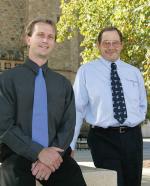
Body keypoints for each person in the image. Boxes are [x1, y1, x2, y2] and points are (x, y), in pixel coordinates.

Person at [0, 18, 86, 186]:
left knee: (73, 178)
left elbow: (68, 125)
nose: (45, 40)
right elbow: (4, 125)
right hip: (17, 154)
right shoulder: (7, 80)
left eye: (50, 37)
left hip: (55, 156)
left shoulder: (62, 84)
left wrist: (51, 156)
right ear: (28, 39)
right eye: (40, 35)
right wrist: (38, 152)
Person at [70, 27, 147, 186]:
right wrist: (70, 144)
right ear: (98, 45)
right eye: (106, 43)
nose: (111, 47)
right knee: (113, 183)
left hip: (132, 138)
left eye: (115, 43)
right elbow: (76, 109)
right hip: (103, 138)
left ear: (121, 45)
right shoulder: (86, 71)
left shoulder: (133, 72)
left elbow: (142, 104)